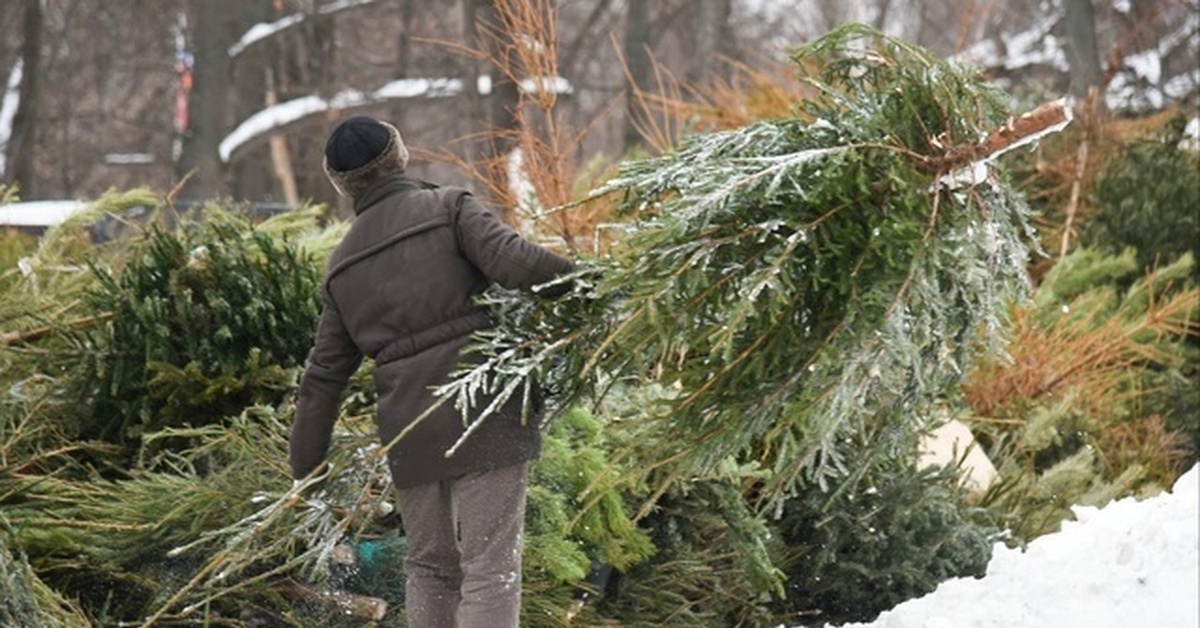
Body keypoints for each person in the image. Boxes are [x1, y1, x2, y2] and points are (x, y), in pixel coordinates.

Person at [289, 115, 574, 628]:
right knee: (489, 567)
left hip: (411, 431)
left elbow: (321, 381)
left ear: (340, 181)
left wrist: (306, 473)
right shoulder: (446, 209)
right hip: (483, 407)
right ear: (399, 155)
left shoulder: (342, 266)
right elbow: (520, 264)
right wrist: (594, 287)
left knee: (430, 570)